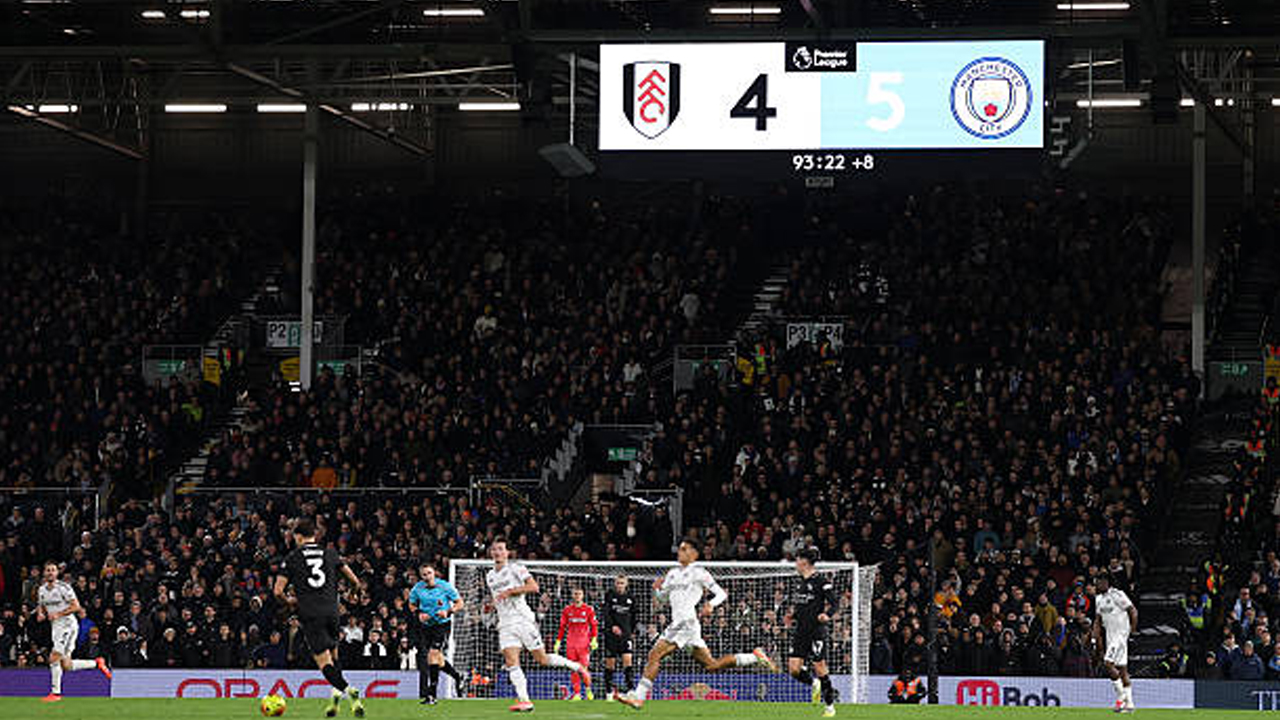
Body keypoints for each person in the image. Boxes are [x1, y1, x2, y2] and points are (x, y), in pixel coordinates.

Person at [617, 539, 777, 710]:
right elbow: (664, 598)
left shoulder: (700, 573)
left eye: (684, 549)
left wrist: (711, 604)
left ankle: (639, 697)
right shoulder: (672, 573)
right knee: (711, 665)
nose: (679, 552)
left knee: (654, 655)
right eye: (679, 549)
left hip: (685, 622)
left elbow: (721, 594)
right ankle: (754, 656)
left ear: (694, 554)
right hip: (685, 625)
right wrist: (658, 590)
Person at [485, 537, 590, 712]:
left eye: (501, 549)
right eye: (495, 549)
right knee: (511, 662)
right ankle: (525, 701)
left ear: (507, 552)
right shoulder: (490, 576)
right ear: (491, 552)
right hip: (505, 624)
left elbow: (534, 587)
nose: (497, 552)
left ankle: (577, 666)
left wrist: (511, 591)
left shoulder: (516, 568)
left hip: (523, 620)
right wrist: (491, 605)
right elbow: (498, 598)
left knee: (542, 659)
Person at [274, 518, 366, 718]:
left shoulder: (292, 558)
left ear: (298, 537)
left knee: (324, 663)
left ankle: (350, 691)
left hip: (310, 613)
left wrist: (290, 602)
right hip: (332, 612)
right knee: (334, 657)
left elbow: (277, 591)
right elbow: (354, 580)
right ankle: (334, 701)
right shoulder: (329, 553)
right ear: (314, 536)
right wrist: (353, 592)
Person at [36, 561, 111, 702]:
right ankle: (97, 663)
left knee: (54, 657)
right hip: (56, 627)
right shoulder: (42, 590)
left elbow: (76, 606)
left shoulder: (64, 587)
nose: (50, 572)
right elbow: (41, 605)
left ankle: (55, 693)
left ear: (57, 573)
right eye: (48, 570)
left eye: (53, 570)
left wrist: (58, 614)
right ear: (44, 573)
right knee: (66, 665)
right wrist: (40, 613)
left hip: (67, 625)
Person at [785, 548, 839, 717]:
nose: (795, 564)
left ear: (804, 562)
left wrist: (827, 615)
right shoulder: (800, 582)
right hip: (801, 630)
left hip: (816, 631)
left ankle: (830, 707)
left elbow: (835, 602)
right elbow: (803, 605)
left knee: (820, 666)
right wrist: (791, 616)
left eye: (797, 560)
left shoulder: (821, 581)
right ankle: (814, 683)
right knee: (794, 669)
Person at [408, 562, 466, 705]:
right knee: (437, 659)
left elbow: (460, 603)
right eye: (424, 575)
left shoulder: (445, 586)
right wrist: (418, 613)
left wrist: (448, 611)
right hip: (426, 626)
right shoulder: (417, 588)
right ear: (421, 576)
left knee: (432, 655)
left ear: (434, 573)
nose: (427, 577)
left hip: (442, 625)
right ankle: (458, 676)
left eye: (429, 573)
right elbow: (411, 604)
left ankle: (431, 695)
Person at [1092, 574, 1138, 714]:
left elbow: (1133, 611)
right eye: (1096, 583)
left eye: (1099, 582)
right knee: (1122, 670)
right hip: (1110, 637)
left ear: (1106, 582)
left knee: (1108, 663)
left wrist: (1132, 631)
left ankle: (1121, 697)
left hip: (1120, 635)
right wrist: (1095, 638)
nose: (1097, 585)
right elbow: (1098, 620)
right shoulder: (1099, 599)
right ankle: (1129, 704)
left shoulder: (1118, 594)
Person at [555, 587, 598, 701]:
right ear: (572, 595)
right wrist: (558, 641)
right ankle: (577, 693)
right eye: (575, 594)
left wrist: (594, 639)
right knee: (573, 669)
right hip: (571, 644)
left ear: (583, 595)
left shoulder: (589, 609)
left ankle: (588, 689)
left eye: (579, 594)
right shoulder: (567, 610)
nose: (577, 596)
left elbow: (594, 625)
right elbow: (562, 627)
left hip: (584, 644)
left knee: (583, 669)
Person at [603, 575, 637, 700]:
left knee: (628, 661)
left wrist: (632, 632)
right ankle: (608, 692)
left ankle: (630, 689)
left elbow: (634, 616)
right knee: (610, 664)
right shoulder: (610, 595)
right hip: (611, 635)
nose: (619, 585)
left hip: (625, 635)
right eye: (618, 583)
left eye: (622, 583)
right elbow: (606, 614)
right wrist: (612, 626)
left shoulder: (631, 598)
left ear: (626, 584)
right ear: (615, 583)